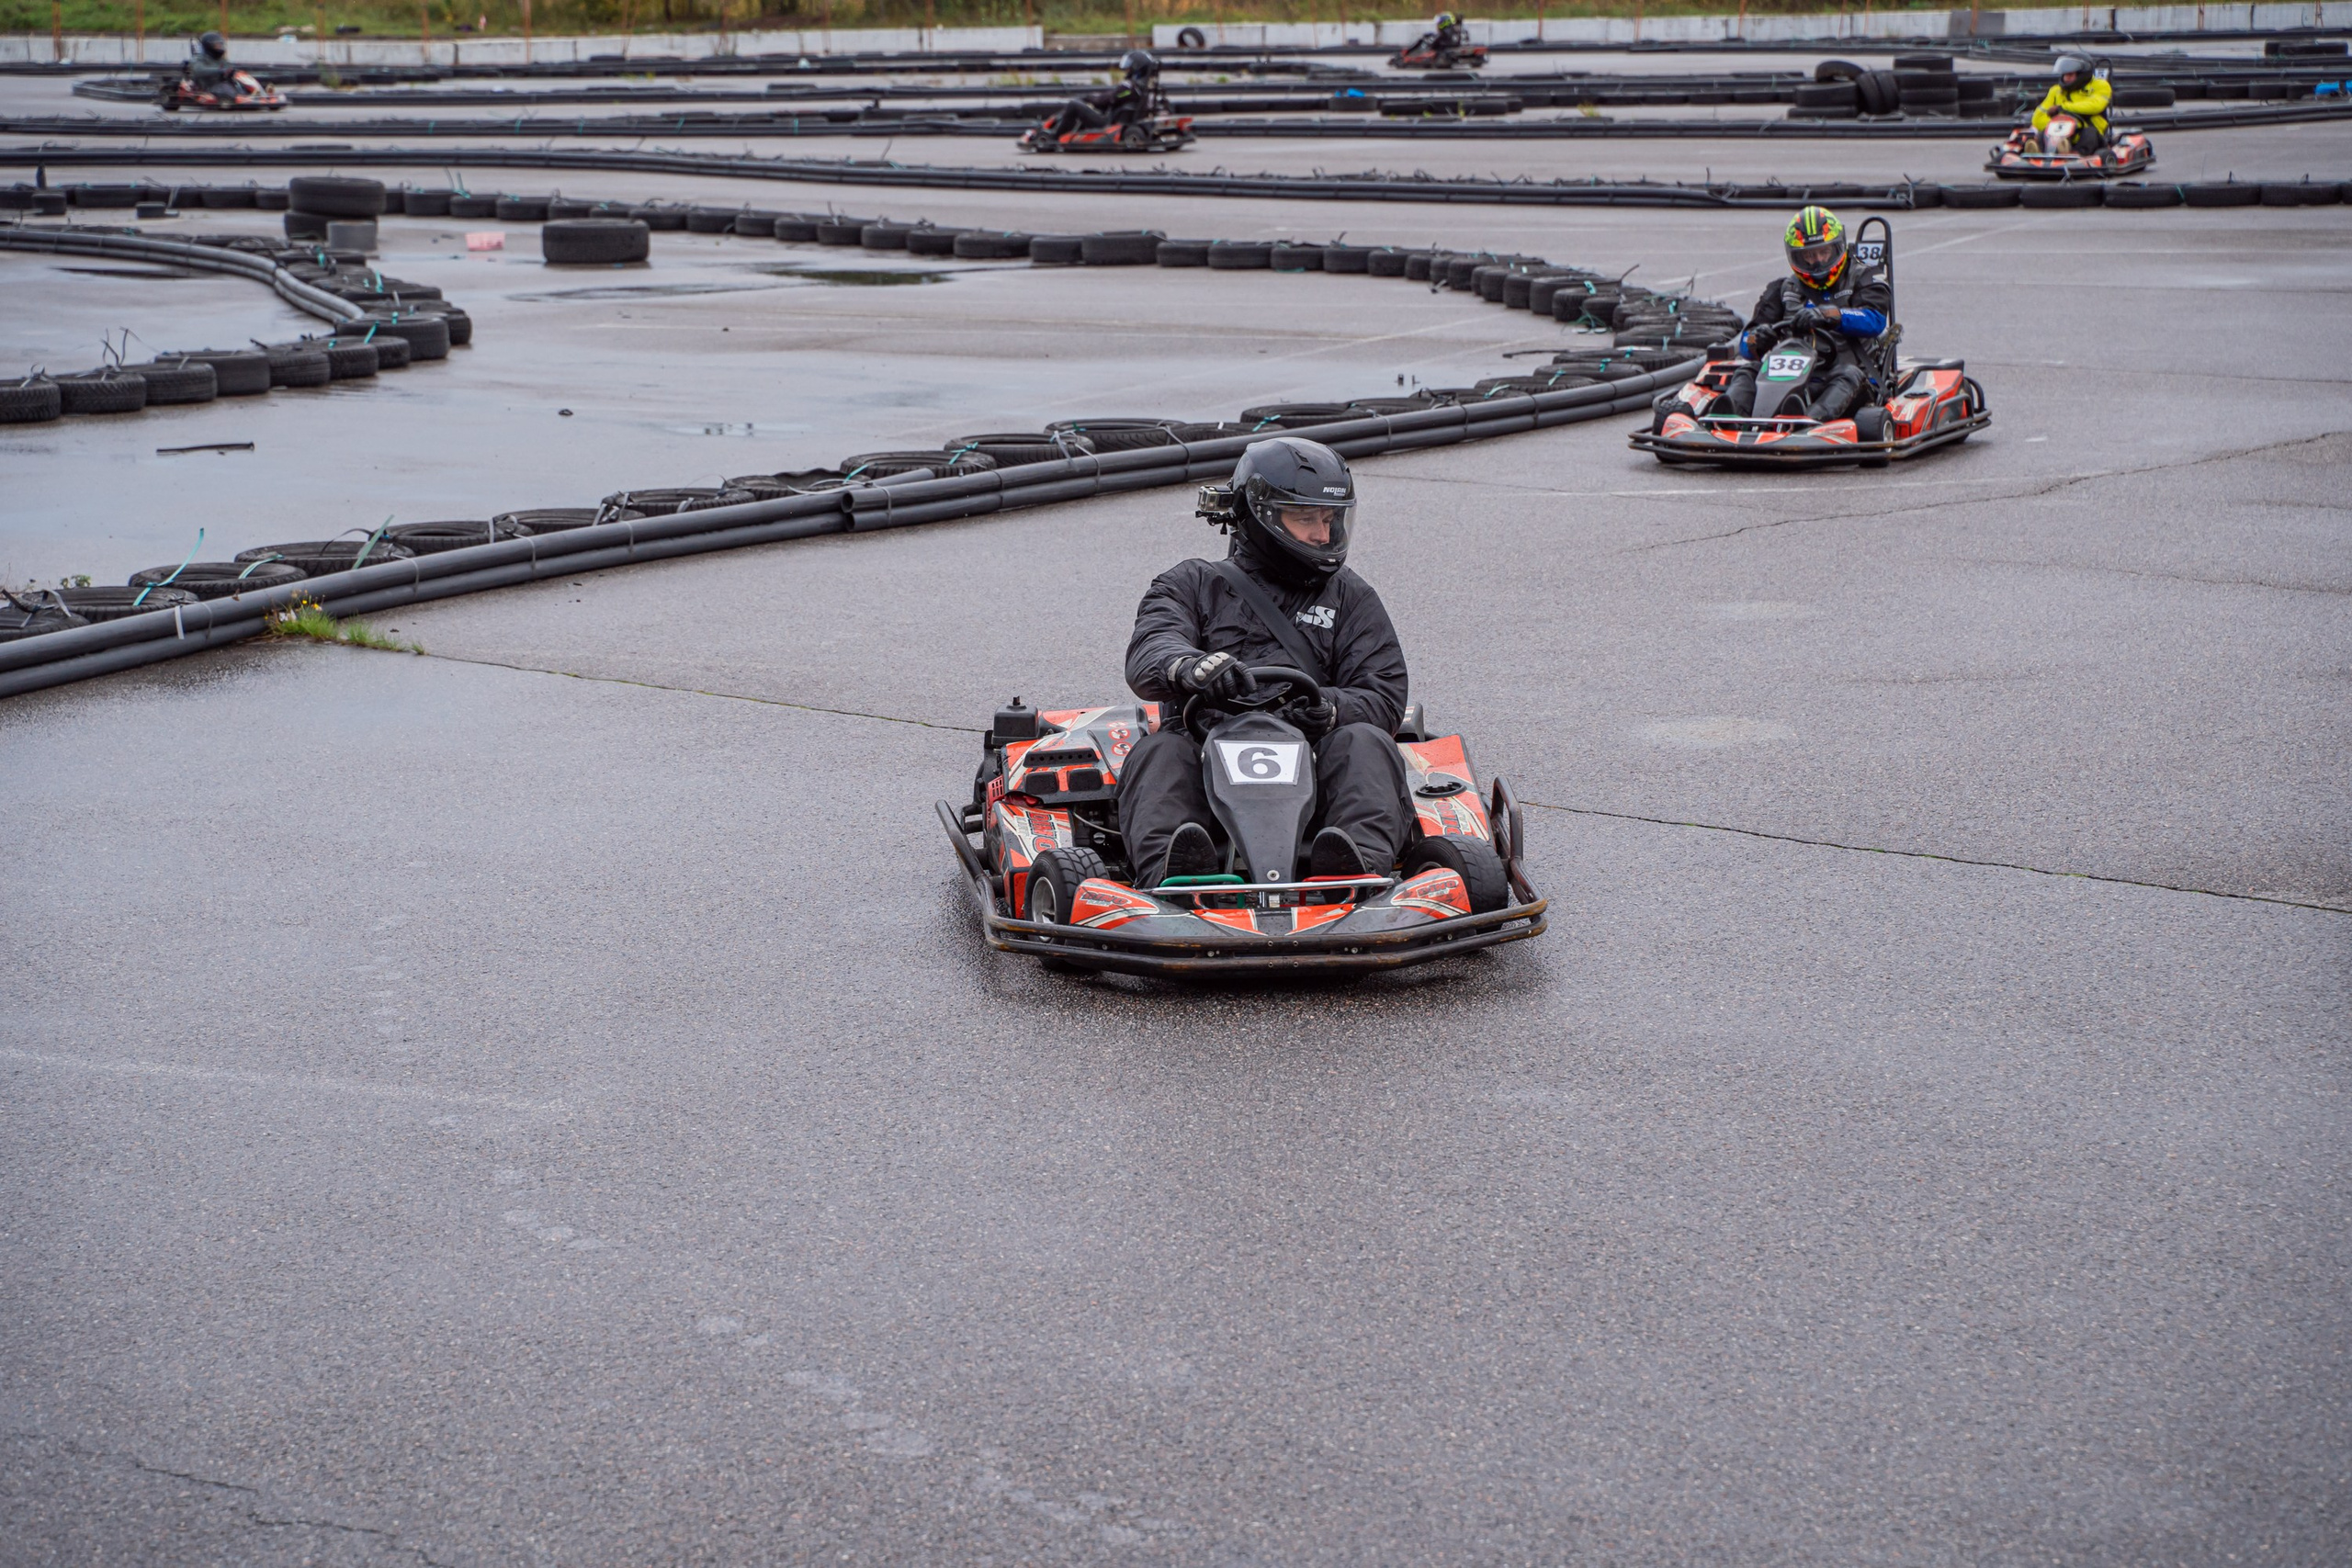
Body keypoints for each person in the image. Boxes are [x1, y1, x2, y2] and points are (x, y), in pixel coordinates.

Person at [1117, 437, 1413, 888]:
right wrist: (1192, 669)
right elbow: (1153, 646)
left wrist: (1330, 709)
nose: (1322, 535)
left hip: (1315, 769)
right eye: (1305, 518)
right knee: (1159, 751)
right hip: (1204, 754)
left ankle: (1357, 872)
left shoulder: (1352, 597)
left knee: (1366, 742)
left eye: (1330, 519)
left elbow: (1384, 694)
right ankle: (1172, 877)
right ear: (1260, 515)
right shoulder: (1192, 584)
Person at [1722, 204, 1892, 423]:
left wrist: (1831, 316)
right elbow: (1746, 343)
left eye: (1824, 252)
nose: (1818, 261)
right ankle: (1729, 419)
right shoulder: (1783, 289)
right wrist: (1759, 339)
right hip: (1791, 379)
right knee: (1748, 371)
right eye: (1809, 255)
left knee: (1848, 375)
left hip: (1846, 375)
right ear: (1796, 257)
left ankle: (1808, 421)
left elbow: (1875, 321)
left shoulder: (1865, 278)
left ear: (1838, 247)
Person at [1040, 50, 1160, 141]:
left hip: (1108, 122)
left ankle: (1055, 137)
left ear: (1136, 68)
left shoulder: (1129, 88)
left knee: (1074, 105)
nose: (1127, 71)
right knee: (1084, 104)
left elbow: (1104, 100)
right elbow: (1113, 98)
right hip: (1122, 117)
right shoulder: (1145, 88)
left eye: (1129, 68)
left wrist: (1088, 97)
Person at [2030, 54, 2111, 153]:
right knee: (2043, 132)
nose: (2066, 78)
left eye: (2070, 75)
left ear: (2082, 74)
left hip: (2089, 132)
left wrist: (2063, 108)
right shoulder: (2056, 91)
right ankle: (2039, 151)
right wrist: (2056, 126)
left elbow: (2095, 105)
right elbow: (2038, 117)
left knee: (2090, 133)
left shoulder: (2100, 86)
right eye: (2065, 75)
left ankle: (2076, 154)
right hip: (2060, 135)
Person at [186, 30, 236, 95]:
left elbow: (229, 67)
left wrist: (231, 71)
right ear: (209, 46)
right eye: (217, 45)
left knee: (238, 85)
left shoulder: (220, 59)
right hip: (207, 87)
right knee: (226, 89)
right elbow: (199, 70)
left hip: (220, 85)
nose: (220, 47)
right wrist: (220, 71)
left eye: (221, 44)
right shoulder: (198, 58)